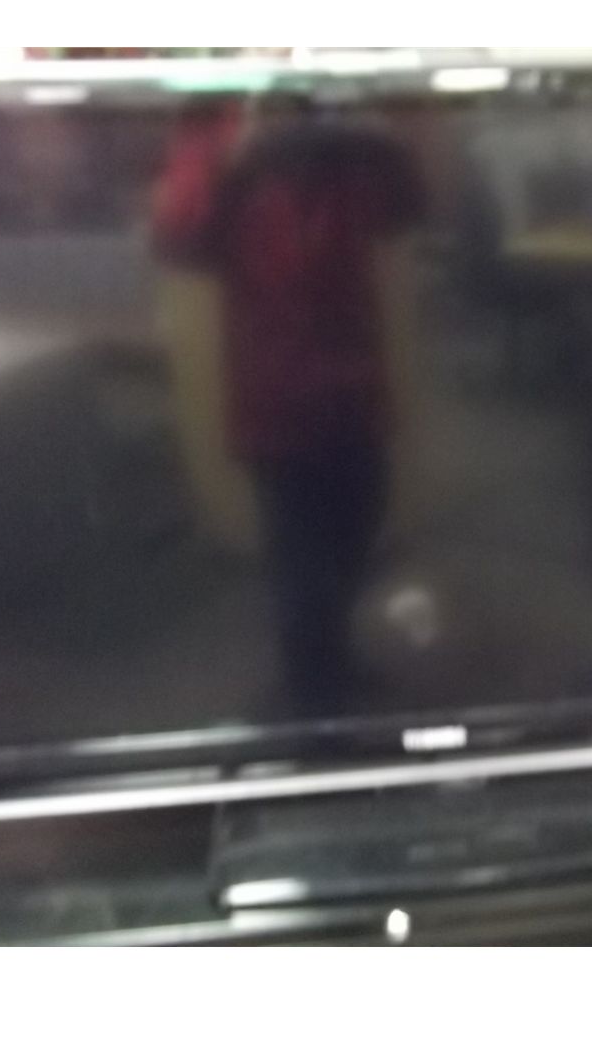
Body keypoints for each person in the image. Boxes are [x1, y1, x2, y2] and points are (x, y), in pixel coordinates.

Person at [152, 95, 425, 710]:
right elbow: (177, 242)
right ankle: (309, 692)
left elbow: (406, 211)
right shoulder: (218, 142)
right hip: (278, 399)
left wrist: (380, 142)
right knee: (300, 555)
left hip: (353, 390)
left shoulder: (341, 147)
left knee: (359, 525)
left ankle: (329, 658)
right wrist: (231, 161)